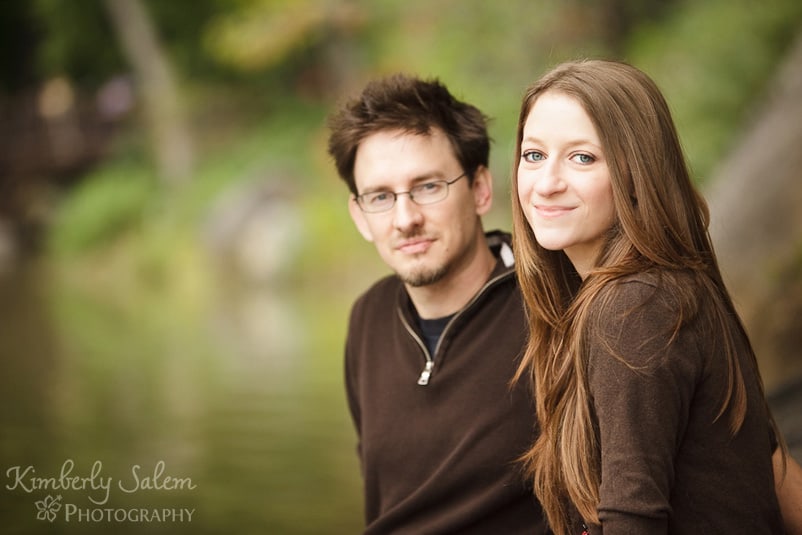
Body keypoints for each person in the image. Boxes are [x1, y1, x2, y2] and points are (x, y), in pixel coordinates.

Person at [510, 58, 792, 534]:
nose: (547, 183)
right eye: (534, 155)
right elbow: (768, 466)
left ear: (635, 173)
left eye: (583, 158)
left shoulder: (635, 306)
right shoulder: (670, 285)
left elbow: (632, 519)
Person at [326, 74, 547, 533]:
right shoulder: (368, 317)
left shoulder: (551, 303)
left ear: (481, 189)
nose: (405, 219)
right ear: (360, 216)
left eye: (428, 186)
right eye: (381, 197)